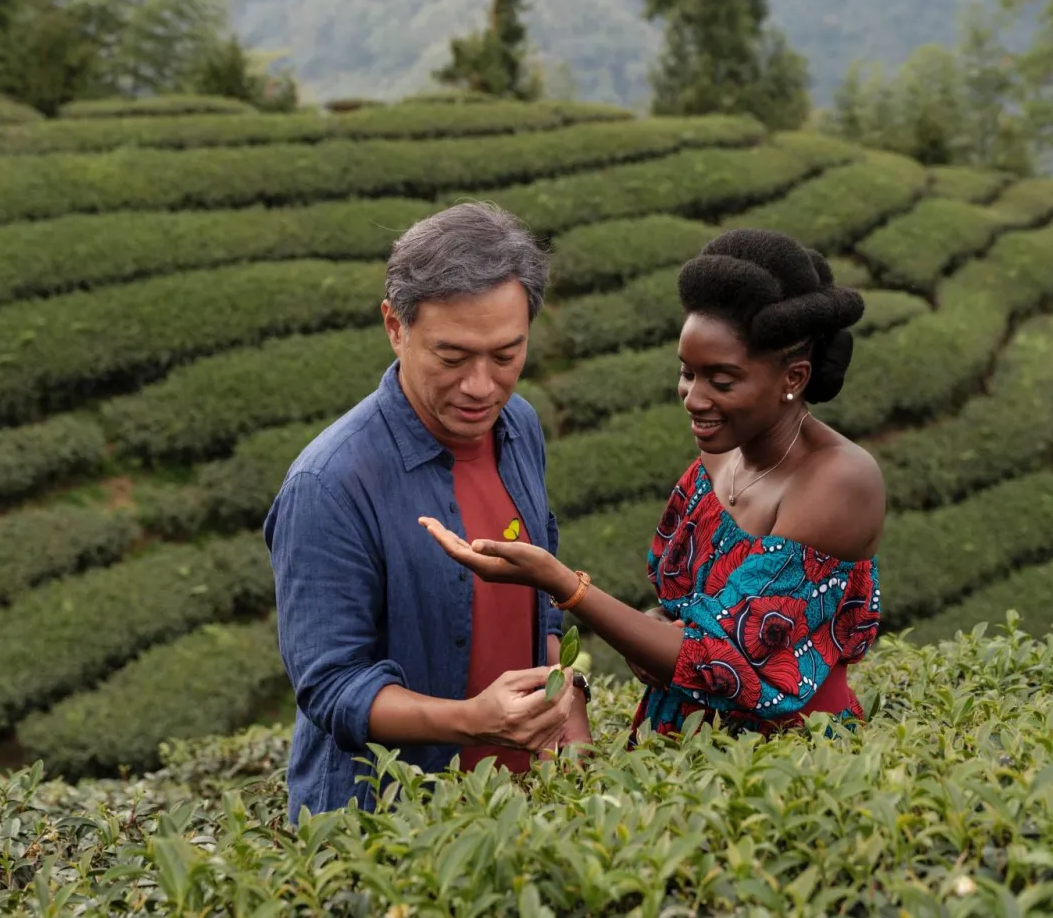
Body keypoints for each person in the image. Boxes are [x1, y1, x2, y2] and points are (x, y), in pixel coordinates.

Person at [421, 227, 884, 741]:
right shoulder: (722, 454)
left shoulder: (840, 482)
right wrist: (651, 626)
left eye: (721, 381)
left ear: (793, 378)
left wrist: (562, 584)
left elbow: (722, 660)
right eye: (688, 373)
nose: (693, 397)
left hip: (781, 758)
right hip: (681, 743)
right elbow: (685, 607)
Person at [265, 201, 590, 822]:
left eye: (506, 355)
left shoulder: (518, 426)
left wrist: (565, 705)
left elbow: (537, 588)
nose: (481, 386)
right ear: (396, 326)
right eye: (453, 357)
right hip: (387, 821)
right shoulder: (330, 483)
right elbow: (331, 687)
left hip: (517, 805)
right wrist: (471, 721)